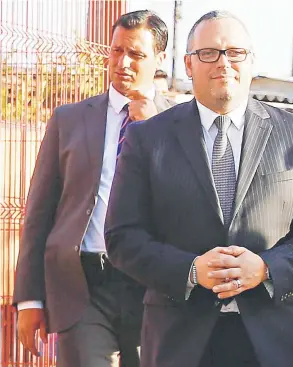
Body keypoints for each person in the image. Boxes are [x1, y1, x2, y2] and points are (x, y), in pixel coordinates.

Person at [104, 10, 293, 367]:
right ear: (188, 64)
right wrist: (190, 270)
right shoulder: (147, 138)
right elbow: (122, 236)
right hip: (180, 338)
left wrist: (266, 268)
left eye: (235, 53)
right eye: (209, 53)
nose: (223, 63)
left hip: (276, 338)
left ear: (251, 62)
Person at [12, 10, 172, 367]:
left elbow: (185, 204)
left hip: (151, 288)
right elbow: (38, 211)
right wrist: (29, 299)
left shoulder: (180, 125)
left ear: (161, 59)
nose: (123, 63)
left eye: (136, 54)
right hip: (82, 285)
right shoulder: (69, 120)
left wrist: (154, 130)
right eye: (116, 51)